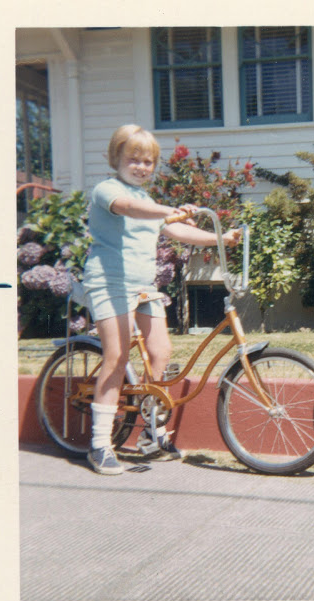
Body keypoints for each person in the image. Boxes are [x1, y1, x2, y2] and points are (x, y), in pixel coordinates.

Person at [82, 124, 241, 475]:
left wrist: (219, 238)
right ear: (116, 159)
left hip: (143, 285)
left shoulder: (149, 201)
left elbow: (175, 228)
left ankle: (150, 433)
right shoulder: (107, 190)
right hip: (109, 282)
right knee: (116, 356)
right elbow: (128, 208)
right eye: (133, 159)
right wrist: (169, 209)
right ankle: (100, 444)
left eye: (148, 161)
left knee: (161, 353)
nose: (141, 167)